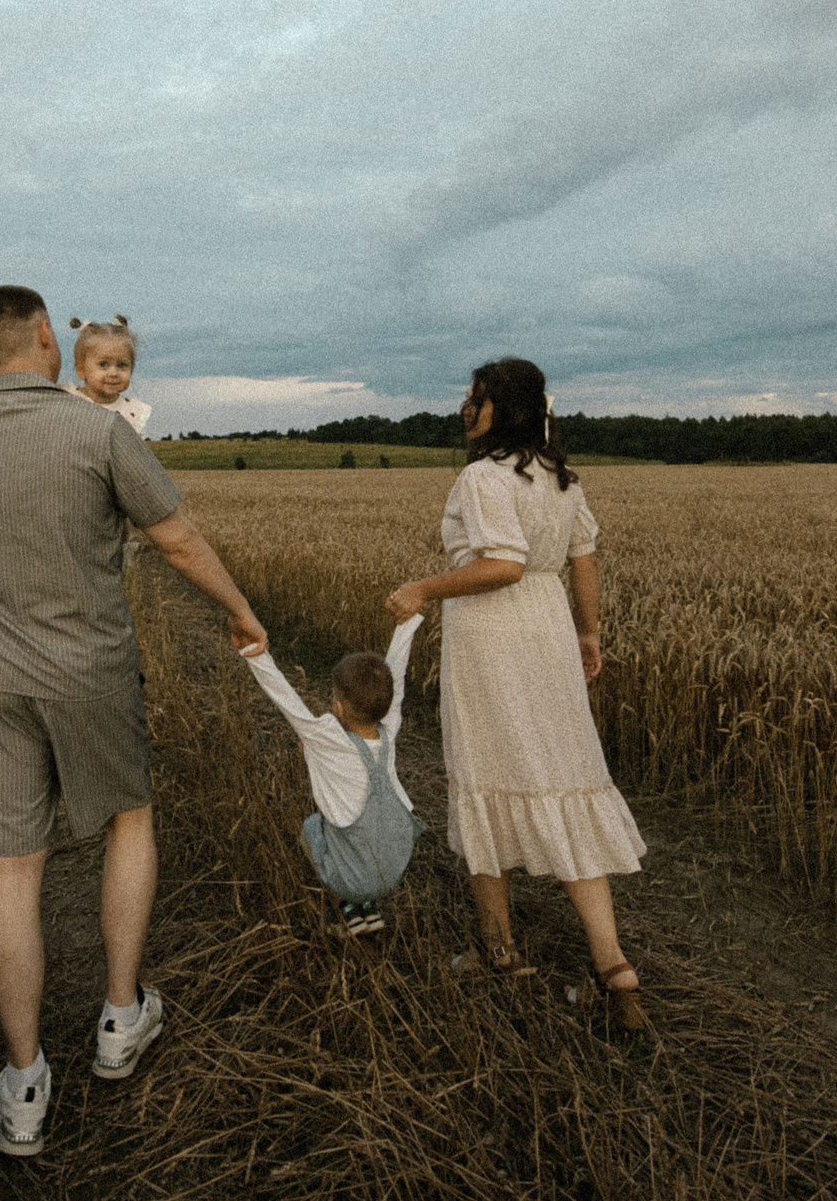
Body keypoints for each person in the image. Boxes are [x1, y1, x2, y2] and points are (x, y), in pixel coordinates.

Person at [0, 284, 269, 1157]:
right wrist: (239, 609)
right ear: (51, 337)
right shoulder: (101, 431)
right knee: (130, 817)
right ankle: (121, 1018)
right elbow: (178, 540)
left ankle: (23, 1085)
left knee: (11, 872)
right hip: (89, 669)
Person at [385, 356, 649, 1031]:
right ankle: (616, 970)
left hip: (495, 636)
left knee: (484, 773)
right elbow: (583, 559)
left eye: (477, 396)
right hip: (550, 629)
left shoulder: (481, 475)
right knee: (567, 776)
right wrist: (588, 635)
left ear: (504, 407)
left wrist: (423, 587)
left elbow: (500, 564)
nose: (466, 405)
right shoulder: (560, 477)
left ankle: (499, 952)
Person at [242, 616, 425, 936]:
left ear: (339, 707)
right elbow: (395, 673)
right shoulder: (388, 730)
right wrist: (405, 625)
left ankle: (345, 904)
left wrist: (256, 654)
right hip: (392, 871)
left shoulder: (330, 739)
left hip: (354, 878)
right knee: (362, 834)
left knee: (313, 827)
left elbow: (287, 701)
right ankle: (367, 906)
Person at [65, 315, 151, 436]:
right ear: (81, 370)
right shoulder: (67, 399)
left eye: (122, 365)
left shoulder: (130, 412)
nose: (113, 373)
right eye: (103, 364)